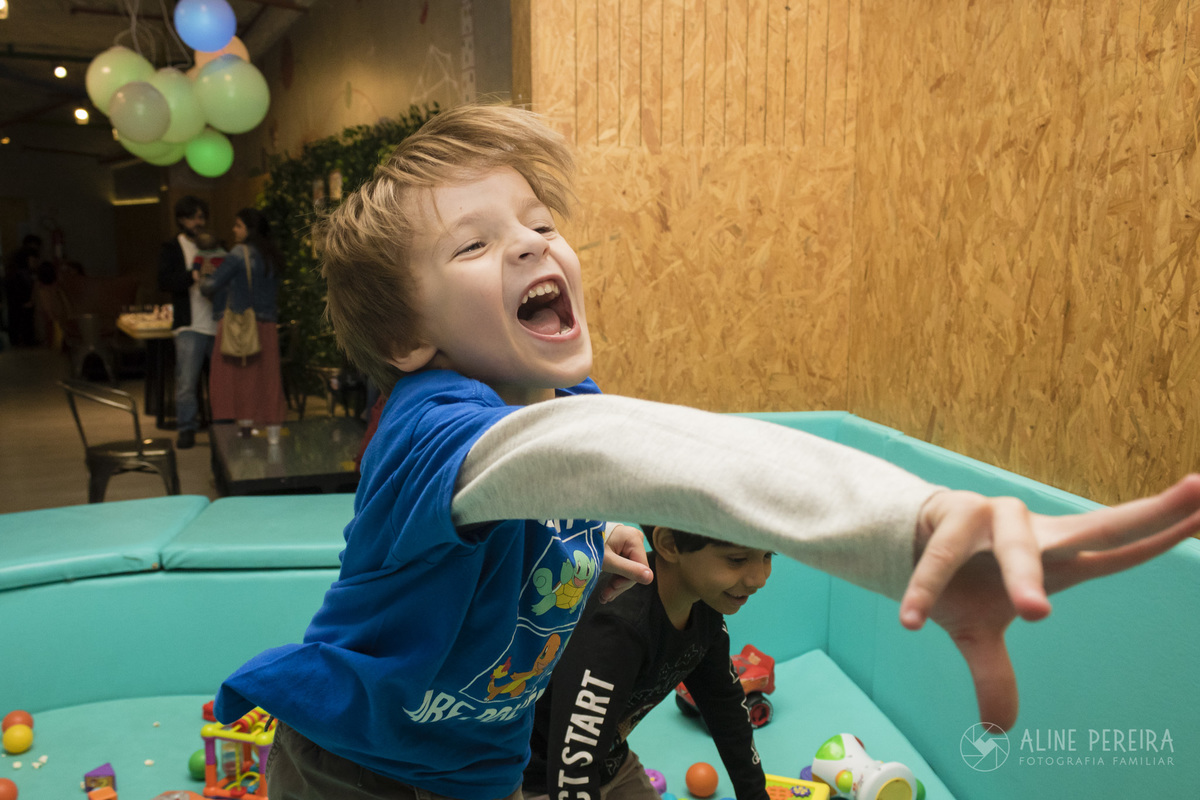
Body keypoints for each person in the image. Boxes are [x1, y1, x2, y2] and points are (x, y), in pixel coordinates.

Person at [213, 104, 1200, 800]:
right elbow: (599, 450)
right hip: (353, 763)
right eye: (471, 246)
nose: (528, 246)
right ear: (405, 340)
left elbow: (571, 464)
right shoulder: (429, 422)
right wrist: (914, 523)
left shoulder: (562, 403)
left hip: (473, 763)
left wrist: (587, 541)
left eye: (542, 224)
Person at [524, 527, 774, 800]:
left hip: (612, 765)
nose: (759, 578)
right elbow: (573, 769)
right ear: (669, 544)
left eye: (767, 555)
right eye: (736, 559)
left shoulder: (704, 607)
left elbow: (727, 711)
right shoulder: (618, 629)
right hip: (540, 781)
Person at [200, 207, 286, 435]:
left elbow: (209, 286)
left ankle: (241, 434)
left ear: (249, 229)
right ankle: (272, 436)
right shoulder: (272, 255)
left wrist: (203, 275)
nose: (234, 230)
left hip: (240, 328)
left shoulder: (239, 253)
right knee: (267, 381)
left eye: (238, 225)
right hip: (267, 327)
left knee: (234, 381)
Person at [158, 196, 216, 449]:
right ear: (182, 220)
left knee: (219, 383)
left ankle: (221, 427)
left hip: (216, 324)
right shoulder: (171, 247)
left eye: (201, 217)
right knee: (186, 382)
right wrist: (191, 275)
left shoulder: (213, 246)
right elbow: (164, 282)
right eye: (193, 217)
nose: (198, 222)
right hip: (188, 324)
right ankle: (186, 430)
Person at [3, 234, 40, 347]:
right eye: (33, 259)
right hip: (20, 321)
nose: (35, 262)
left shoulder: (23, 274)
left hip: (19, 321)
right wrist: (25, 303)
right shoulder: (19, 275)